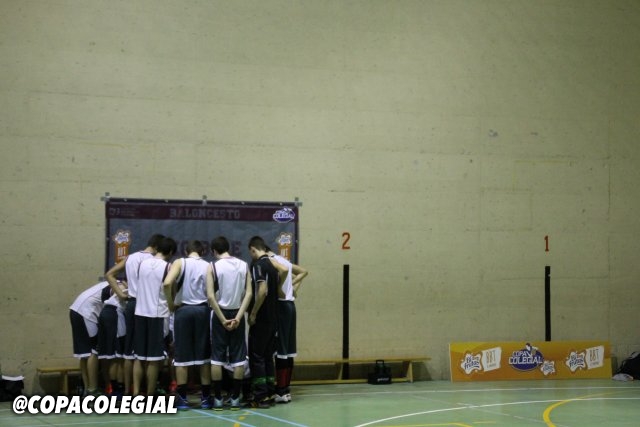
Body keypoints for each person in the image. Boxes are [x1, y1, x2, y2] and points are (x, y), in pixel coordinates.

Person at [105, 233, 165, 395]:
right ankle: (148, 390)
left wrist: (121, 294)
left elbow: (109, 274)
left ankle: (128, 391)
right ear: (158, 247)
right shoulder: (153, 261)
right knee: (150, 353)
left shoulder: (131, 257)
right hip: (147, 305)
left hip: (131, 304)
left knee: (129, 351)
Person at [163, 240, 213, 410]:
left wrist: (171, 304)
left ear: (186, 251)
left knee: (182, 358)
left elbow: (167, 283)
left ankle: (183, 399)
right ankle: (206, 398)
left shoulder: (180, 262)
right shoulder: (208, 265)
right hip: (202, 311)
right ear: (202, 251)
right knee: (204, 357)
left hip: (183, 311)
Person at [207, 236, 253, 410]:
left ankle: (218, 399)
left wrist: (222, 319)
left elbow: (211, 297)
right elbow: (249, 294)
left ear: (214, 251)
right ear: (228, 248)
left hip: (220, 314)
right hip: (237, 314)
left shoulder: (212, 266)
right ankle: (235, 399)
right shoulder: (244, 265)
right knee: (239, 357)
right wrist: (239, 317)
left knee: (216, 358)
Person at [245, 236, 288, 408]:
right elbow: (285, 269)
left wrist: (253, 313)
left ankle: (260, 395)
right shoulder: (272, 264)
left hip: (262, 317)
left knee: (257, 356)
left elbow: (262, 291)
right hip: (273, 316)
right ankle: (270, 392)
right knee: (268, 356)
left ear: (253, 249)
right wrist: (279, 287)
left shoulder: (258, 265)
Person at [131, 237, 177, 396]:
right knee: (154, 358)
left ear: (157, 249)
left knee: (138, 357)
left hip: (140, 312)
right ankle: (150, 395)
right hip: (157, 314)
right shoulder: (168, 267)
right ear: (170, 252)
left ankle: (136, 394)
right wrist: (171, 304)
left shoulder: (142, 264)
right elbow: (169, 287)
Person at [267, 248, 308, 403]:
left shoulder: (273, 262)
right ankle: (285, 389)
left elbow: (289, 274)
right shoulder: (284, 261)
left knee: (281, 351)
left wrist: (282, 287)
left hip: (282, 306)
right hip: (290, 306)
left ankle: (280, 390)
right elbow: (304, 272)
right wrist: (293, 287)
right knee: (288, 351)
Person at [69, 281, 111, 396]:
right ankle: (93, 389)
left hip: (75, 310)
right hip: (86, 313)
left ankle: (86, 387)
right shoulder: (115, 285)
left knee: (84, 353)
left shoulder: (105, 284)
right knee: (94, 350)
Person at [97, 280, 128, 398]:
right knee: (118, 357)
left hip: (105, 314)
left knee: (110, 356)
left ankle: (113, 388)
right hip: (114, 314)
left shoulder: (120, 286)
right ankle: (117, 389)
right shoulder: (123, 286)